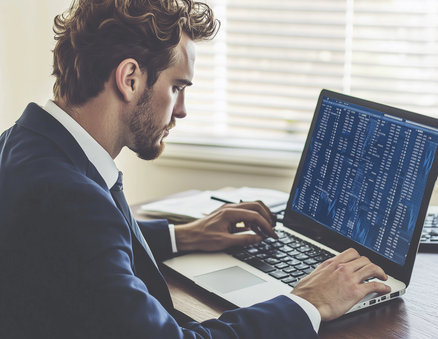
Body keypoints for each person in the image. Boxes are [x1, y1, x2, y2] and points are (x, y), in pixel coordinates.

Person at [0, 0, 391, 338]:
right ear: (130, 78)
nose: (182, 110)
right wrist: (307, 302)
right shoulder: (72, 201)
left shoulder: (24, 143)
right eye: (177, 87)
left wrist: (183, 236)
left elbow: (82, 253)